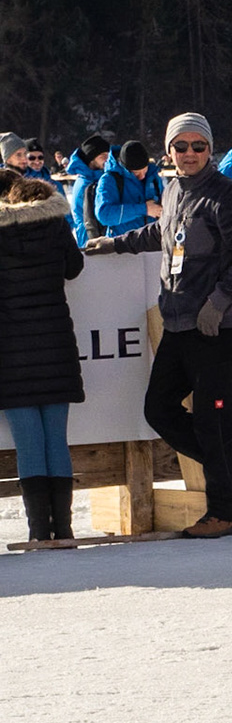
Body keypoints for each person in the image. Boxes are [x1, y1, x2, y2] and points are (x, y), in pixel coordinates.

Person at [94, 112, 232, 539]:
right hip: (176, 323)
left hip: (212, 328)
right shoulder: (174, 189)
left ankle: (224, 512)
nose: (189, 154)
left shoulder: (228, 197)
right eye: (181, 146)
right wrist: (115, 243)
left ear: (211, 150)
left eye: (198, 146)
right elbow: (164, 233)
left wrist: (219, 303)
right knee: (159, 409)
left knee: (214, 421)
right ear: (168, 150)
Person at [0, 172, 86, 544]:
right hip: (55, 345)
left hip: (10, 351)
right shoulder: (54, 223)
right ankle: (63, 529)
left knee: (29, 445)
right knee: (56, 440)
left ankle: (39, 532)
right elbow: (74, 267)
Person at [95, 141, 164, 238]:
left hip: (152, 242)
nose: (142, 177)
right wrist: (144, 209)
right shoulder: (109, 180)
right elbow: (104, 215)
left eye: (144, 170)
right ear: (125, 168)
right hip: (121, 245)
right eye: (136, 173)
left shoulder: (153, 176)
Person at [64, 134, 112, 245]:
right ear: (91, 159)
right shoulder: (85, 184)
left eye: (108, 155)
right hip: (90, 240)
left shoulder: (98, 177)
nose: (107, 159)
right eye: (102, 156)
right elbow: (88, 220)